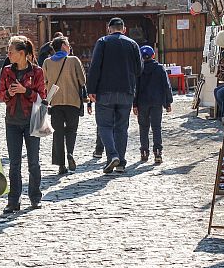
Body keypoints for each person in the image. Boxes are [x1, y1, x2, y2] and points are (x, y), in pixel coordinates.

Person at [86, 17, 143, 174]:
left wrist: (91, 89)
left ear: (108, 28)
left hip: (105, 91)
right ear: (124, 29)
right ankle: (121, 163)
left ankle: (112, 155)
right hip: (127, 91)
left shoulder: (103, 42)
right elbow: (139, 69)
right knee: (122, 127)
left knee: (104, 125)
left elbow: (95, 66)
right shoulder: (133, 44)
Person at [0, 36, 46, 212]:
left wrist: (25, 91)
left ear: (22, 53)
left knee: (33, 162)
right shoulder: (7, 71)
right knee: (14, 163)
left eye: (11, 52)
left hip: (32, 120)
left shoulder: (37, 72)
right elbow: (1, 96)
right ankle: (13, 200)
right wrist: (9, 93)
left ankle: (35, 197)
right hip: (12, 121)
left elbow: (42, 97)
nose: (8, 55)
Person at [43, 36, 86, 174]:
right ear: (62, 45)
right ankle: (70, 153)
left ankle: (61, 164)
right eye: (67, 44)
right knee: (72, 130)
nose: (69, 46)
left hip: (55, 102)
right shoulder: (73, 60)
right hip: (73, 101)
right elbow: (83, 80)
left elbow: (44, 81)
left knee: (58, 133)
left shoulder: (47, 62)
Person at [133, 45, 173, 165]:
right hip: (156, 102)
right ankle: (158, 153)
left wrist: (134, 104)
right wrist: (168, 102)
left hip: (142, 103)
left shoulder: (138, 70)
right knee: (156, 127)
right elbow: (166, 86)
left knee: (143, 127)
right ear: (153, 55)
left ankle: (144, 152)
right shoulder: (160, 68)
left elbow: (136, 88)